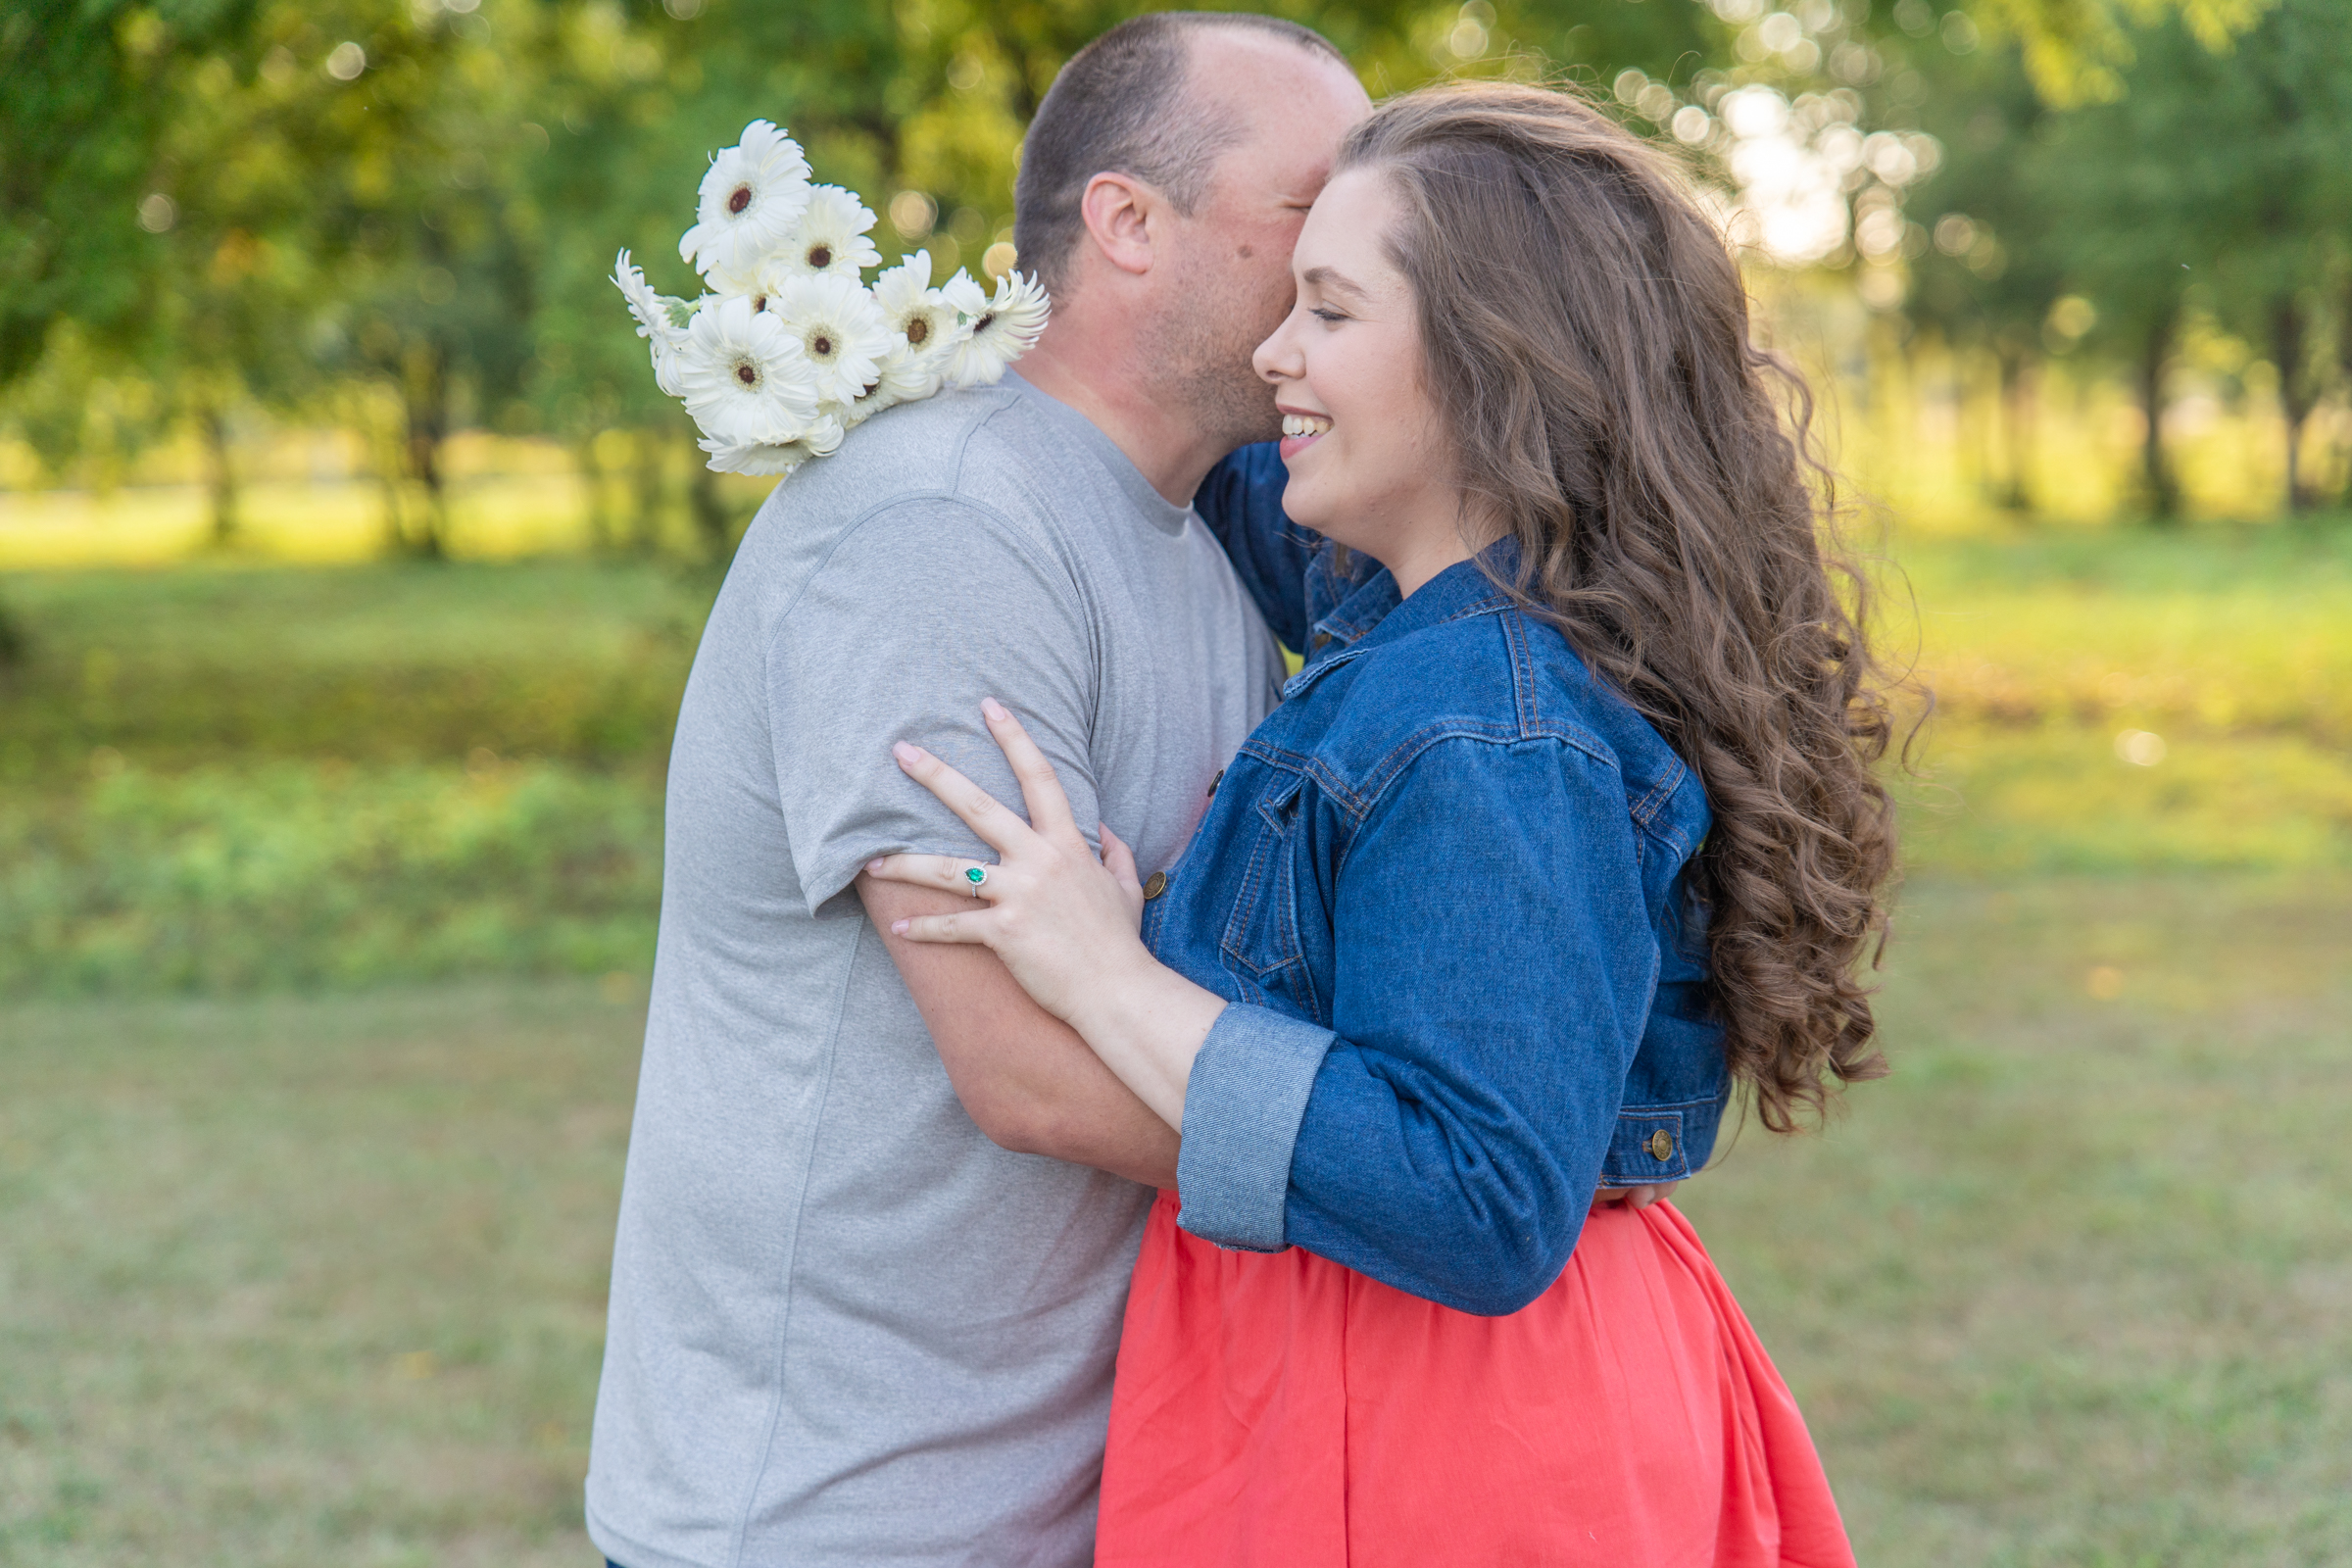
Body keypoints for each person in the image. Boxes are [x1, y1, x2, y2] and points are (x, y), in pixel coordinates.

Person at [867, 81, 1901, 1565]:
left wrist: (1105, 977)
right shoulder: (1406, 614)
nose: (1271, 352)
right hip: (1347, 1377)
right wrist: (872, 345)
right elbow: (1176, 427)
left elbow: (1475, 1199)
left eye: (1332, 313)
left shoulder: (1491, 729)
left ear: (1498, 368)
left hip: (1445, 1428)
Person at [582, 16, 1371, 1568]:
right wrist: (1438, 1167)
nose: (1357, 243)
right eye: (1313, 207)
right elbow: (1021, 1068)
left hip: (1079, 1502)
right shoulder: (942, 526)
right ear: (1129, 223)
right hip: (842, 1523)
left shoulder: (1197, 539)